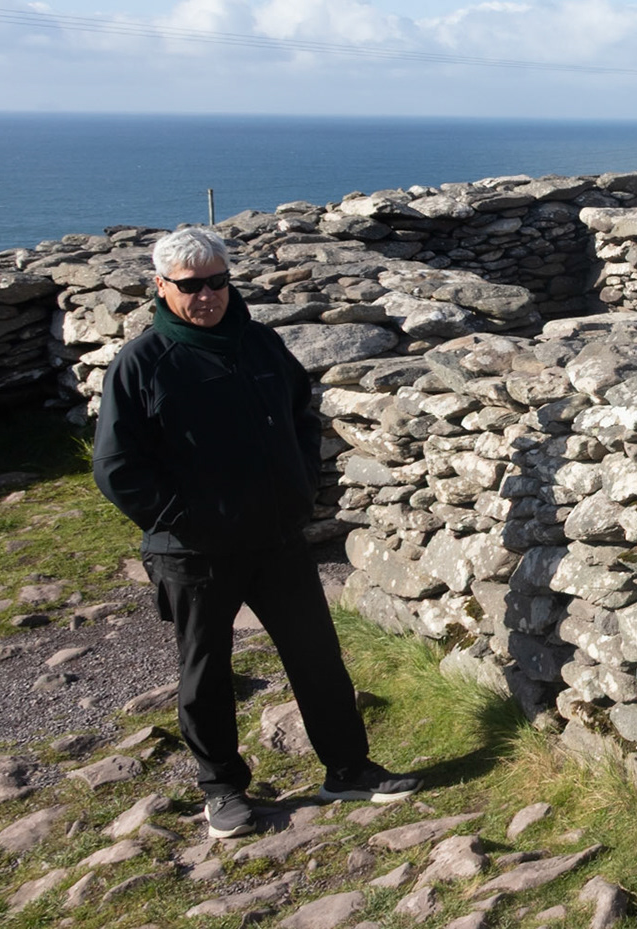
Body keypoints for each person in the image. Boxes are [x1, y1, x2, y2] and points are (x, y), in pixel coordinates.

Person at [93, 227, 420, 839]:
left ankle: (348, 769)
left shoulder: (261, 343)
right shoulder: (141, 364)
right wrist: (184, 521)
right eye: (190, 286)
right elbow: (116, 467)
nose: (208, 296)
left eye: (218, 281)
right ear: (161, 288)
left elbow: (300, 414)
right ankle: (222, 791)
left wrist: (297, 489)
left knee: (317, 656)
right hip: (194, 552)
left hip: (276, 538)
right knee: (207, 671)